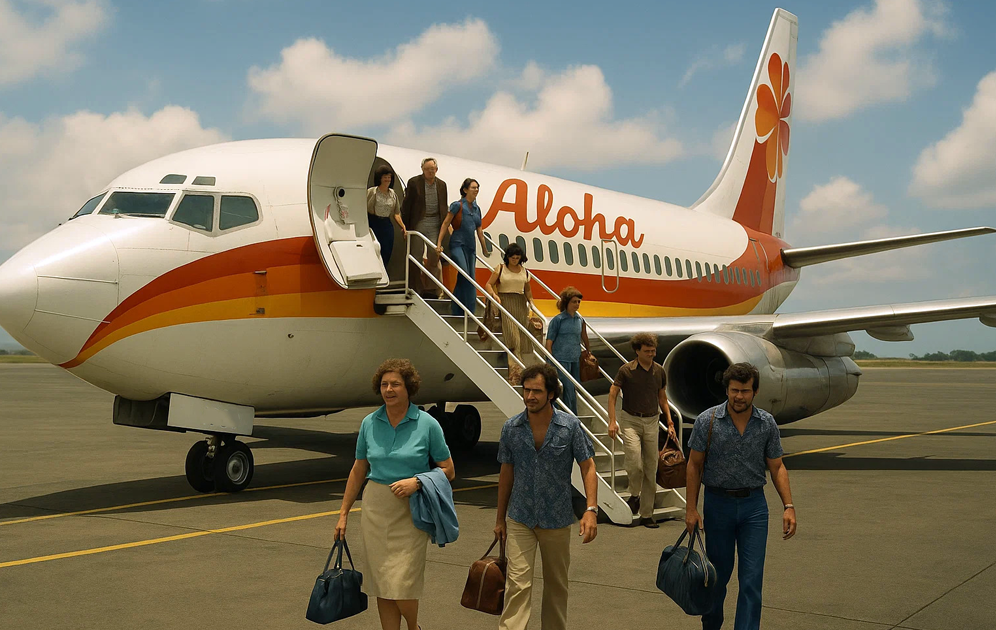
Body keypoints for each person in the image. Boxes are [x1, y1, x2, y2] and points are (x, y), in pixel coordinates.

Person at [335, 359, 456, 630]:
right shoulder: (369, 422)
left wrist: (417, 482)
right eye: (384, 384)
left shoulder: (427, 424)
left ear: (409, 388)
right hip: (376, 509)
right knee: (381, 582)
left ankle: (413, 627)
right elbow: (359, 469)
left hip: (412, 511)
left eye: (395, 384)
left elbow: (448, 470)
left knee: (403, 582)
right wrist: (343, 514)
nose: (389, 389)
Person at [684, 363, 797, 630]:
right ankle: (711, 624)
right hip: (717, 505)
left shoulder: (766, 423)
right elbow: (694, 465)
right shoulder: (707, 420)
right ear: (727, 390)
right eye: (734, 390)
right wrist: (691, 509)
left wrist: (788, 506)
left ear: (754, 392)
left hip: (753, 507)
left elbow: (777, 466)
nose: (739, 396)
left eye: (745, 391)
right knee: (717, 577)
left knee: (751, 580)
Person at [494, 364, 599, 630]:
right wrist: (500, 520)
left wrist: (591, 509)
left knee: (556, 586)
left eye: (537, 391)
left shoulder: (569, 426)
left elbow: (588, 466)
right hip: (521, 517)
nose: (530, 396)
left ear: (551, 394)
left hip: (557, 517)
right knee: (517, 585)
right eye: (526, 390)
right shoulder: (511, 428)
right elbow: (506, 473)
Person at [606, 333, 676, 528]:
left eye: (653, 351)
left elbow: (662, 398)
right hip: (630, 420)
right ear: (637, 351)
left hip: (652, 421)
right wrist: (612, 421)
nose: (651, 354)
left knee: (651, 468)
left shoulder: (659, 371)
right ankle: (634, 494)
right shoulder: (626, 370)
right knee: (635, 463)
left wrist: (669, 422)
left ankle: (647, 514)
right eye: (647, 351)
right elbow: (613, 394)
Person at [484, 242, 535, 384]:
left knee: (522, 339)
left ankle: (519, 372)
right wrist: (494, 295)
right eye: (512, 257)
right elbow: (488, 284)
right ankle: (516, 374)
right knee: (512, 338)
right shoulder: (500, 269)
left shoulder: (524, 271)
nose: (515, 260)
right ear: (507, 257)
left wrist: (531, 302)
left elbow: (527, 290)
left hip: (520, 303)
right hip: (505, 302)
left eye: (517, 257)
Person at [436, 178, 487, 317]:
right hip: (457, 244)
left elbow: (480, 231)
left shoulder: (477, 209)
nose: (476, 190)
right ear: (465, 190)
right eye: (473, 187)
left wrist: (484, 249)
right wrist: (439, 243)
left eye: (477, 187)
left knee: (470, 277)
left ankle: (460, 308)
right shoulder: (457, 206)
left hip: (471, 247)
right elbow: (446, 224)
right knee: (465, 273)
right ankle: (466, 309)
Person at [400, 158, 448, 298]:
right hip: (420, 221)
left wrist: (446, 224)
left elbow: (444, 206)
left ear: (436, 170)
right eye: (428, 169)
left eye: (432, 169)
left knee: (434, 254)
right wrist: (406, 227)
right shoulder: (414, 183)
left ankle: (431, 288)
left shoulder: (442, 185)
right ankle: (416, 287)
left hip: (435, 222)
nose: (430, 171)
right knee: (416, 254)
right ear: (422, 169)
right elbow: (406, 206)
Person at [544, 286, 585, 414]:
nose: (577, 304)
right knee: (566, 386)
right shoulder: (558, 320)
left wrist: (588, 351)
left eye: (578, 302)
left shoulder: (579, 320)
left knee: (573, 387)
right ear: (567, 302)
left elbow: (583, 336)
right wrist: (550, 359)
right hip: (560, 358)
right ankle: (569, 414)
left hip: (574, 358)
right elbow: (549, 341)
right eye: (574, 302)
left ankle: (570, 413)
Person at [366, 166, 406, 269]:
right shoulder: (372, 191)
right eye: (385, 177)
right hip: (373, 223)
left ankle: (383, 271)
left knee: (386, 251)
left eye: (389, 177)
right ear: (380, 178)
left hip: (386, 224)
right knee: (374, 249)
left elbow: (396, 213)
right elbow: (364, 208)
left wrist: (403, 226)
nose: (387, 179)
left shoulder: (392, 194)